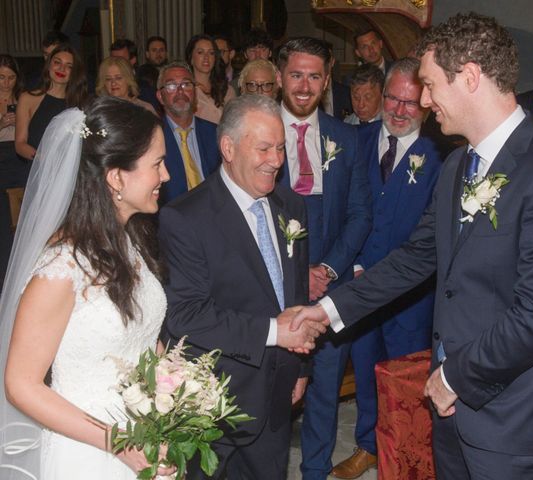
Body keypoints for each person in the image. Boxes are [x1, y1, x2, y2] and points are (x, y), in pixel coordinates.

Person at [292, 12, 533, 479]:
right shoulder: (456, 164)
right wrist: (329, 311)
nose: (425, 100)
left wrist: (455, 376)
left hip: (517, 415)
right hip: (452, 407)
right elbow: (417, 257)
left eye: (431, 85)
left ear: (470, 77)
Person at [0, 95, 175, 479]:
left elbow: (141, 332)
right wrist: (119, 442)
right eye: (157, 164)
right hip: (88, 451)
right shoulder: (61, 269)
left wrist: (175, 383)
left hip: (146, 434)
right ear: (116, 177)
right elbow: (21, 384)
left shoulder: (130, 238)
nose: (165, 176)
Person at [159, 94, 326, 479]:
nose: (277, 160)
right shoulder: (185, 218)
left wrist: (301, 367)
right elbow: (187, 315)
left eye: (281, 148)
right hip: (215, 399)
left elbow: (295, 294)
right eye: (264, 148)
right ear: (228, 148)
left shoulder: (290, 206)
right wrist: (275, 332)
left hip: (277, 392)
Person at [330, 57, 441, 480]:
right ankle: (367, 446)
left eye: (410, 102)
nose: (398, 110)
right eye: (392, 98)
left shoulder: (441, 154)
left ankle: (407, 455)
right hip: (358, 289)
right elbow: (343, 212)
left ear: (426, 104)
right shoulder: (355, 141)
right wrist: (350, 264)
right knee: (364, 370)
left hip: (411, 296)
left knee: (406, 379)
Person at [275, 37, 371, 480]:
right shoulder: (259, 133)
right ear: (279, 77)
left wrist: (327, 270)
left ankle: (314, 470)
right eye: (296, 74)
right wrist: (294, 274)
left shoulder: (345, 137)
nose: (304, 85)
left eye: (315, 76)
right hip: (274, 285)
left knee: (325, 388)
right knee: (274, 390)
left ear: (327, 81)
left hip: (331, 287)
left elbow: (359, 213)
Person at [156, 61, 220, 204]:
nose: (180, 91)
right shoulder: (151, 138)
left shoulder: (215, 133)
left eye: (186, 84)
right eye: (171, 86)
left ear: (195, 93)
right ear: (160, 96)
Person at [15, 43, 87, 162]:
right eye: (57, 62)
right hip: (36, 168)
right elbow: (20, 144)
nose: (61, 69)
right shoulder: (27, 98)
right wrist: (43, 159)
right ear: (48, 65)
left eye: (69, 66)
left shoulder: (80, 104)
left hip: (70, 171)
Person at [0, 54, 26, 292]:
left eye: (10, 77)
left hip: (17, 161)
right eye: (1, 77)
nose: (6, 82)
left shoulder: (23, 99)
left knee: (17, 220)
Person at [185, 34, 235, 125]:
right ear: (191, 58)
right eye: (200, 52)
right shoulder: (185, 90)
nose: (206, 57)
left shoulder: (227, 90)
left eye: (211, 53)